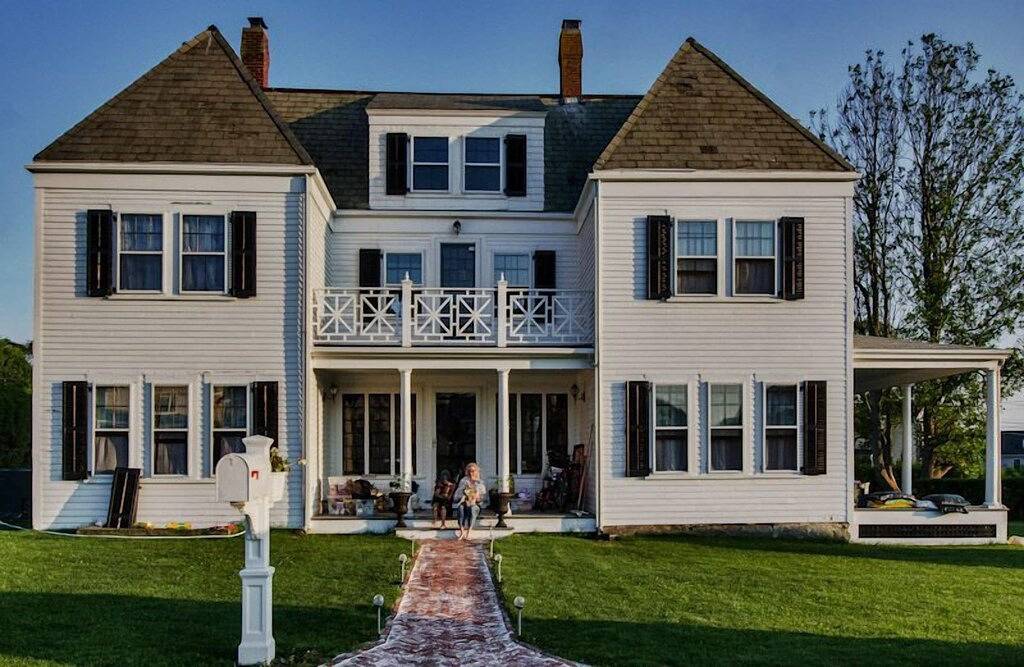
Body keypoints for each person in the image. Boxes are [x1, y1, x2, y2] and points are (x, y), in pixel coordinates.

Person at [452, 462, 488, 540]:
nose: (471, 473)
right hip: (465, 502)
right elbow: (456, 495)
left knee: (473, 509)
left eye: (473, 471)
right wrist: (464, 494)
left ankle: (469, 532)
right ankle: (462, 532)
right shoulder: (463, 481)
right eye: (469, 471)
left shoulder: (480, 483)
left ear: (477, 471)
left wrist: (477, 498)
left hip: (475, 504)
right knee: (460, 508)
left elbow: (483, 498)